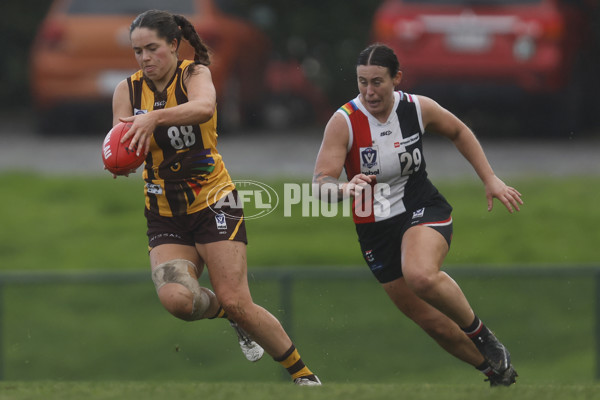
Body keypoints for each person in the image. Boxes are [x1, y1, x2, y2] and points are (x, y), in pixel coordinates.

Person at [111, 9, 320, 386]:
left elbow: (204, 107)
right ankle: (226, 314)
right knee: (178, 301)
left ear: (174, 45)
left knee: (241, 300)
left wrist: (153, 119)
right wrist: (119, 160)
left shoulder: (194, 74)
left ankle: (304, 377)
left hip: (213, 201)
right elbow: (123, 141)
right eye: (137, 51)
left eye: (152, 48)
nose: (144, 58)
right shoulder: (126, 90)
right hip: (163, 211)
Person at [312, 43, 522, 386]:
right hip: (375, 230)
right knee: (433, 323)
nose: (369, 91)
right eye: (362, 82)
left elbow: (459, 131)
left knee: (420, 275)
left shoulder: (416, 107)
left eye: (377, 81)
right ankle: (497, 374)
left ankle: (482, 335)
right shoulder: (344, 122)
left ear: (397, 78)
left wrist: (490, 179)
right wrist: (341, 189)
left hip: (420, 206)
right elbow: (319, 183)